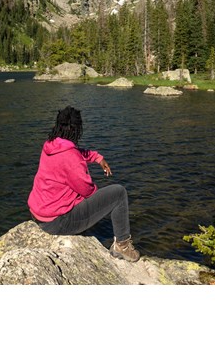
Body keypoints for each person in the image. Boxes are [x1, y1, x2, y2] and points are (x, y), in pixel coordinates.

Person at [27, 105, 140, 262]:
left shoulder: (50, 145)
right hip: (56, 223)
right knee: (118, 193)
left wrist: (96, 157)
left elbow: (74, 152)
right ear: (77, 129)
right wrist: (100, 201)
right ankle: (122, 245)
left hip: (38, 214)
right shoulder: (71, 157)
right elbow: (87, 190)